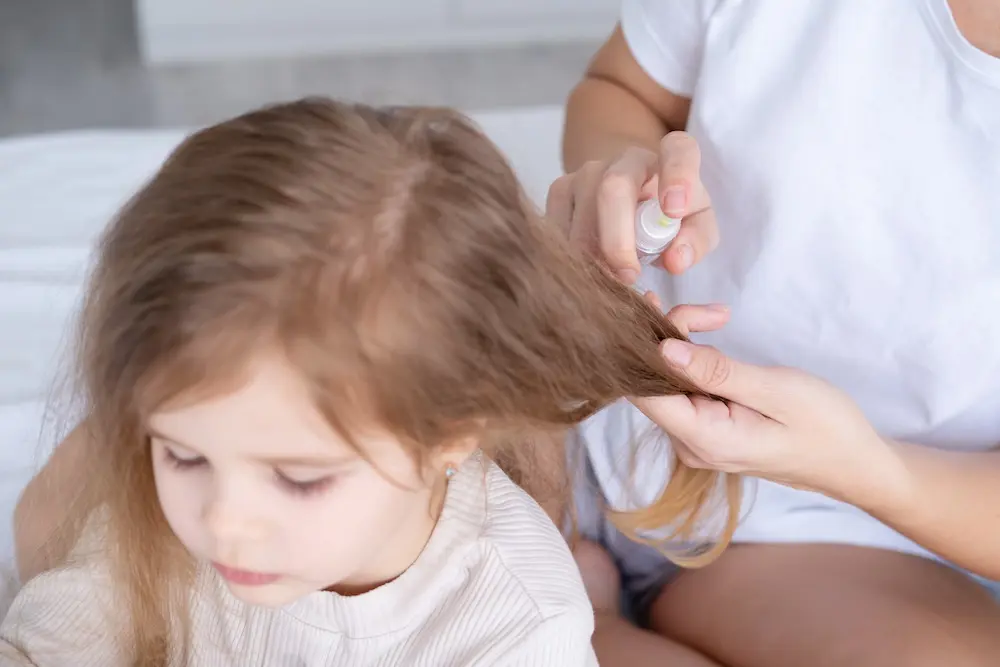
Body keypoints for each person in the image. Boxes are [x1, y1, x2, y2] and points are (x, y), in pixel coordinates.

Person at [2, 97, 739, 666]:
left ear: (449, 436)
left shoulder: (517, 626)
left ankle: (600, 602)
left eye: (297, 477)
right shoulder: (163, 519)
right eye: (181, 454)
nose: (224, 518)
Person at [551, 1, 1000, 666]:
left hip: (862, 535)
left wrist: (861, 469)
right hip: (590, 405)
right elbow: (620, 90)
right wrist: (624, 175)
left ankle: (594, 624)